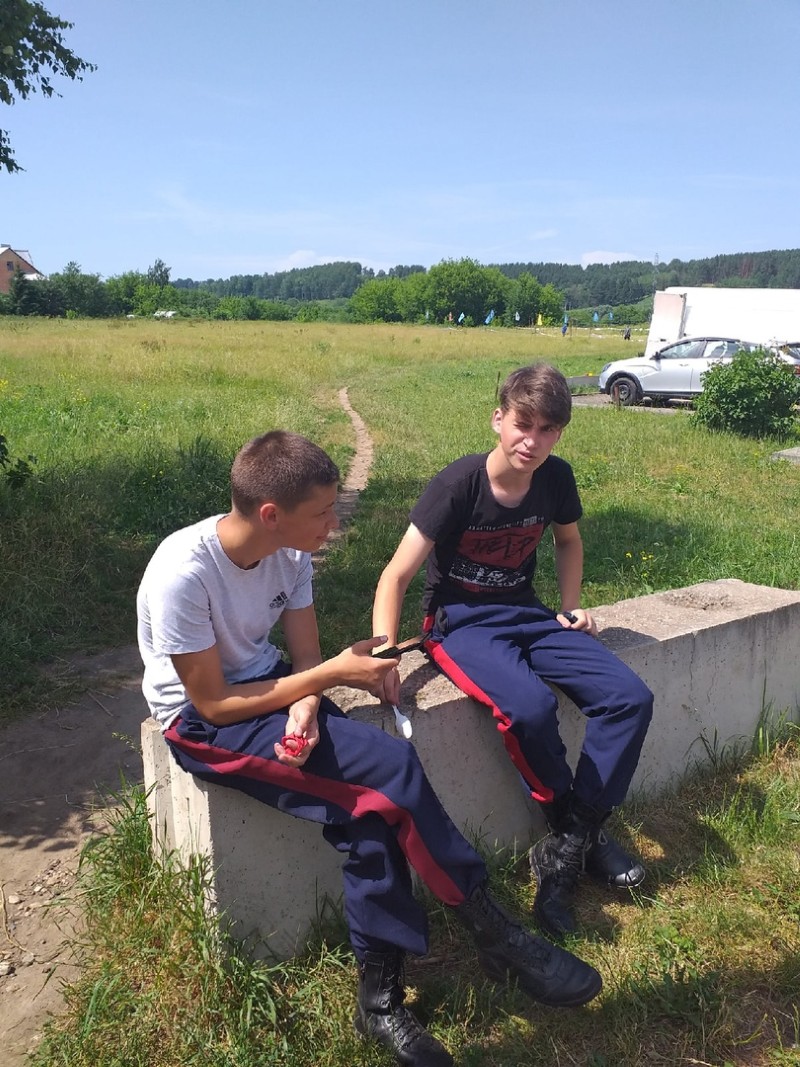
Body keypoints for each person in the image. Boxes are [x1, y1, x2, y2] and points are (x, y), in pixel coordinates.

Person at [137, 429, 602, 1067]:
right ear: (271, 514)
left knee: (370, 817)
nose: (333, 525)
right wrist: (329, 676)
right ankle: (493, 931)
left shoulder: (291, 553)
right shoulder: (183, 574)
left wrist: (306, 703)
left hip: (273, 691)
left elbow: (303, 659)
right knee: (393, 767)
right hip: (201, 724)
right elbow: (214, 704)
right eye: (323, 513)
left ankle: (379, 1002)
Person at [372, 364, 654, 941]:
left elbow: (568, 540)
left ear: (559, 434)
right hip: (460, 624)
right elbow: (395, 576)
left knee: (629, 698)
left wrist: (571, 608)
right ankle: (582, 838)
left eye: (548, 430)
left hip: (528, 613)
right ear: (498, 418)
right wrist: (384, 655)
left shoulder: (555, 479)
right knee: (528, 708)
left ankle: (569, 843)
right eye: (523, 424)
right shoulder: (458, 485)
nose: (533, 441)